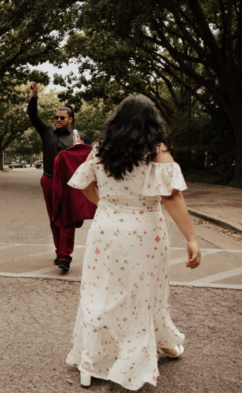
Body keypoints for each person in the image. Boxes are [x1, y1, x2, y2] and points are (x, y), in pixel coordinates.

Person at [66, 95, 201, 390]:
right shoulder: (155, 149)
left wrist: (106, 204)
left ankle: (90, 361)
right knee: (142, 292)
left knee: (99, 292)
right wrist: (191, 237)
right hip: (143, 229)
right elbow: (172, 195)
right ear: (152, 120)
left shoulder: (101, 148)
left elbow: (84, 182)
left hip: (106, 227)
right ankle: (143, 352)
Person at [26, 82, 89, 272]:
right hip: (49, 181)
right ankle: (59, 251)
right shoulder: (47, 132)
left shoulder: (80, 136)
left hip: (70, 182)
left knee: (67, 218)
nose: (58, 119)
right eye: (56, 117)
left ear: (71, 119)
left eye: (62, 117)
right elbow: (33, 116)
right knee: (55, 218)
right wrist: (34, 97)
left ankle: (65, 257)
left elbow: (89, 159)